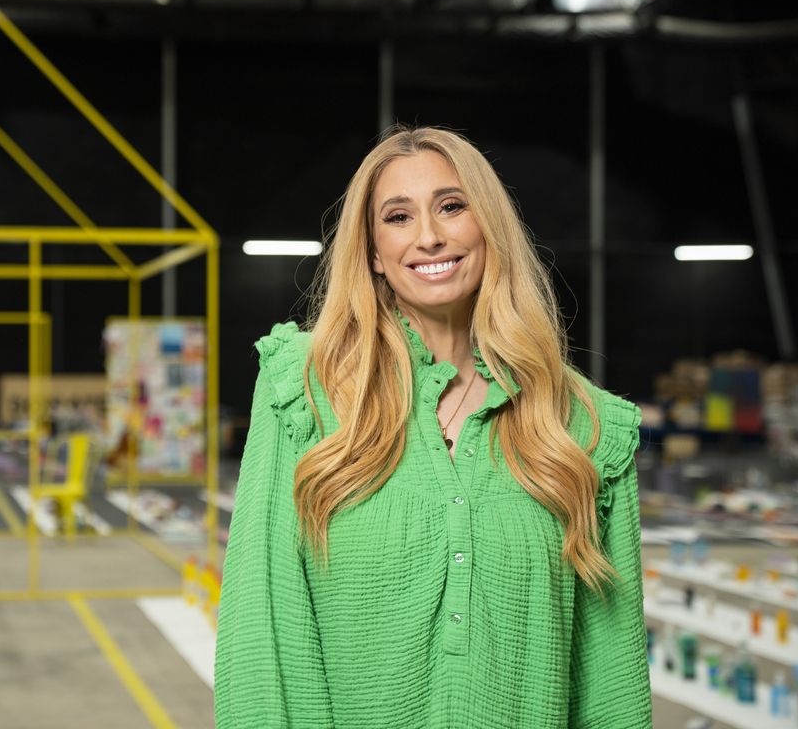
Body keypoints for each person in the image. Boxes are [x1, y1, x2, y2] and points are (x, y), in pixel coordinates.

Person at [214, 126, 651, 728]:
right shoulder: (305, 391)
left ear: (489, 226)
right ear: (371, 251)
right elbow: (260, 635)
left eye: (452, 206)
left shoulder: (585, 427)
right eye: (398, 216)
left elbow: (612, 680)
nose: (428, 236)